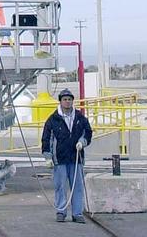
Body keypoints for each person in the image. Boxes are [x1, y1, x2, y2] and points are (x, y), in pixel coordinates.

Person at [41, 88, 93, 223]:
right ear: (60, 101)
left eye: (69, 99)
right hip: (59, 158)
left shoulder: (80, 117)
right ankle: (61, 211)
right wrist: (47, 157)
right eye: (65, 99)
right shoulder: (53, 119)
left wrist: (82, 142)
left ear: (72, 101)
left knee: (78, 186)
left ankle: (77, 213)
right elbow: (46, 138)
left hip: (76, 158)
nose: (67, 102)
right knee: (60, 186)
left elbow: (87, 132)